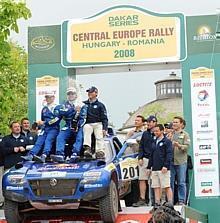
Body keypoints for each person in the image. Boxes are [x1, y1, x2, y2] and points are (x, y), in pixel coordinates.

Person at [22, 91, 60, 162]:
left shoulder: (57, 107)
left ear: (53, 97)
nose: (48, 98)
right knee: (39, 141)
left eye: (49, 97)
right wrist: (39, 124)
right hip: (45, 128)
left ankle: (44, 156)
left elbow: (57, 119)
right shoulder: (44, 108)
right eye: (46, 97)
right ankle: (30, 155)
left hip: (53, 128)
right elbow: (42, 119)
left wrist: (45, 122)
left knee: (48, 141)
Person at [52, 87, 87, 162]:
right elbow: (58, 117)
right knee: (60, 136)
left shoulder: (82, 105)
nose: (70, 95)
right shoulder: (63, 106)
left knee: (80, 137)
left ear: (76, 95)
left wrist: (77, 126)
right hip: (68, 125)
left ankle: (75, 153)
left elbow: (83, 118)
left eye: (72, 93)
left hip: (78, 126)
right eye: (69, 94)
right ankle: (60, 154)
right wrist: (47, 123)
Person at [133, 115, 157, 207]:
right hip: (145, 159)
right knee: (142, 179)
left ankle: (156, 200)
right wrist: (140, 158)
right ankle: (142, 199)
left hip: (156, 160)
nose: (148, 124)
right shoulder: (145, 134)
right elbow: (141, 146)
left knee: (155, 180)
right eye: (147, 123)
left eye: (150, 122)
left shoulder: (157, 133)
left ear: (154, 123)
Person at [147, 124, 173, 206]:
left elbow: (169, 154)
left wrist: (166, 165)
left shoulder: (167, 141)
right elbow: (151, 155)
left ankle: (170, 202)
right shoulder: (154, 142)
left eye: (157, 131)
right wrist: (149, 167)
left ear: (162, 131)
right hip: (155, 168)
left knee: (166, 186)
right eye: (154, 131)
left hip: (163, 168)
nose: (155, 132)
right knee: (156, 186)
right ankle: (157, 202)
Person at [169, 116, 190, 205]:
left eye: (176, 122)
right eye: (173, 122)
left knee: (181, 182)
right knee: (170, 183)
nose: (174, 124)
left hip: (181, 161)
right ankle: (170, 201)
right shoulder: (170, 134)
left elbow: (187, 147)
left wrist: (179, 146)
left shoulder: (185, 134)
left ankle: (181, 201)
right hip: (170, 161)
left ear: (181, 124)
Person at [82, 86, 108, 159]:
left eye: (91, 92)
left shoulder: (100, 105)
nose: (89, 93)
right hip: (88, 123)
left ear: (96, 93)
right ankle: (87, 149)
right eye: (88, 92)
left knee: (99, 134)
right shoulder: (84, 104)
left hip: (98, 123)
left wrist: (105, 128)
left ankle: (99, 151)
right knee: (86, 128)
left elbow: (104, 118)